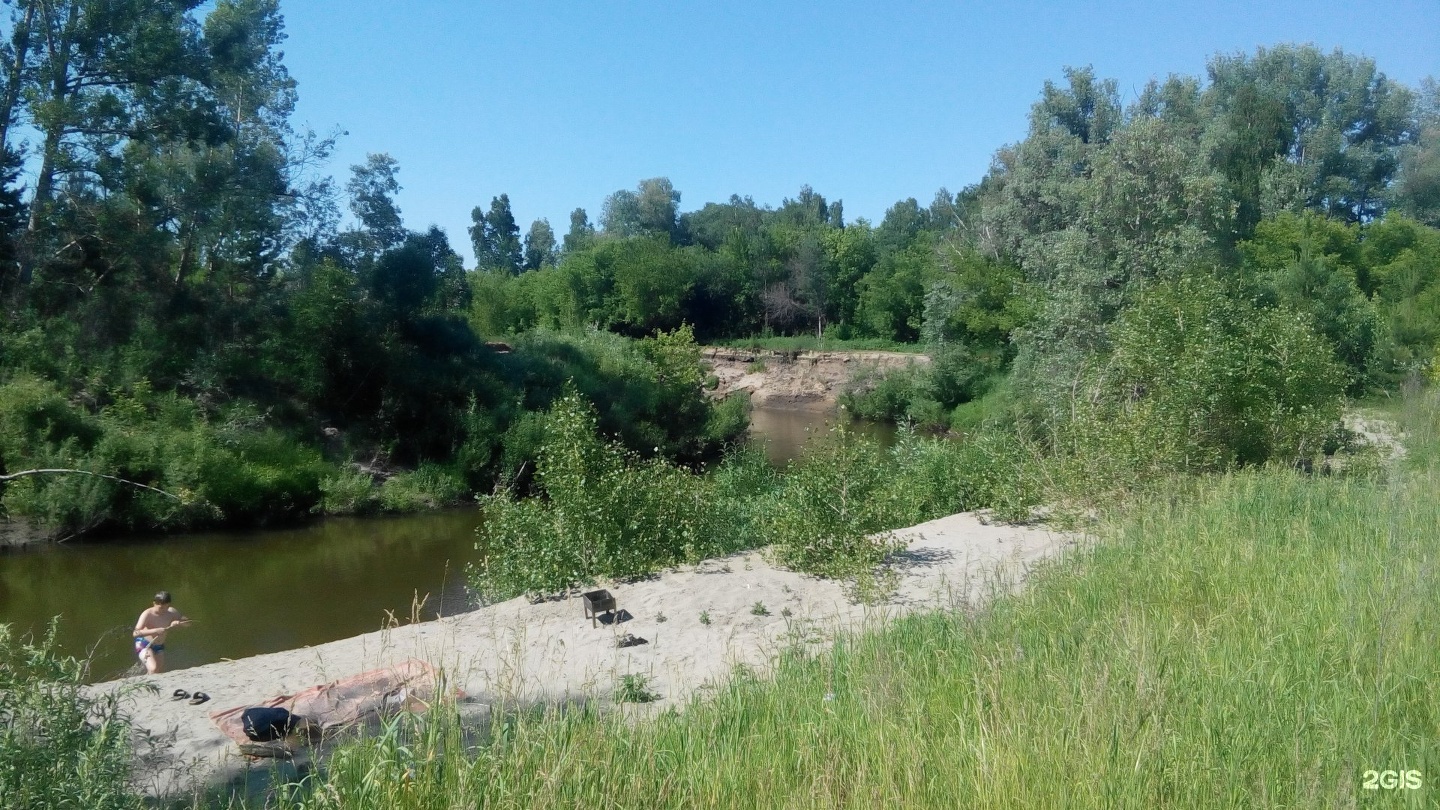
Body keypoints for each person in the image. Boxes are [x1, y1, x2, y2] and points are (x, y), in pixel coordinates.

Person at [134, 591, 189, 674]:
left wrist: (179, 622)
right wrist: (155, 630)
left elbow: (188, 623)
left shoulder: (171, 612)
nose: (163, 610)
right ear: (154, 603)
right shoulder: (147, 614)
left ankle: (148, 683)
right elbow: (135, 633)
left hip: (159, 646)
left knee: (158, 671)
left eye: (166, 608)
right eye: (160, 608)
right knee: (153, 668)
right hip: (145, 644)